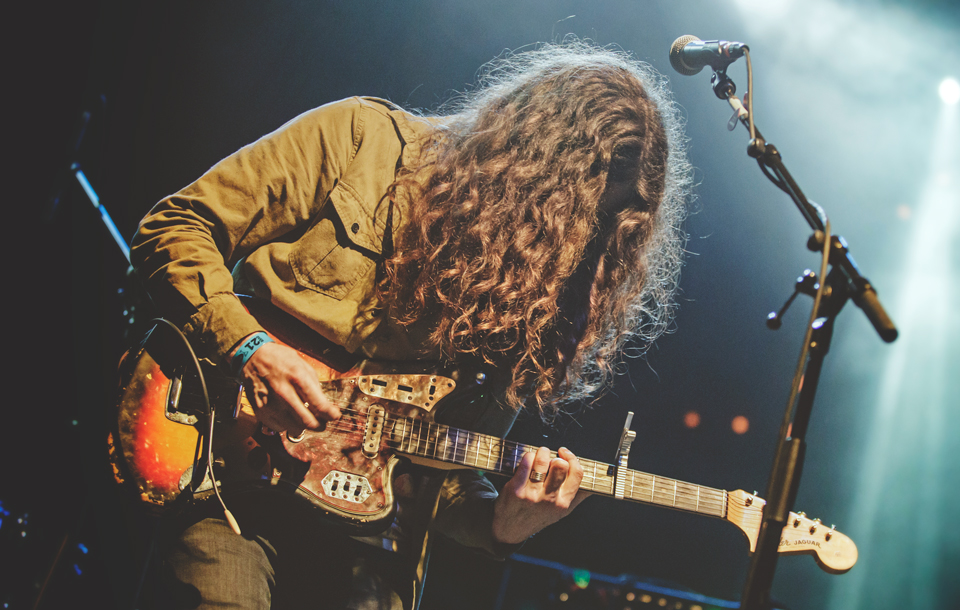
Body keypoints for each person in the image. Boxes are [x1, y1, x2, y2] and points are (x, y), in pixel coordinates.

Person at [130, 40, 691, 610]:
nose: (573, 240)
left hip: (368, 547)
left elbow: (437, 472)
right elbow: (175, 229)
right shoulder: (362, 141)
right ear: (526, 164)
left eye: (597, 230)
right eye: (569, 211)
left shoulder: (536, 302)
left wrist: (504, 523)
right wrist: (249, 348)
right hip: (225, 471)